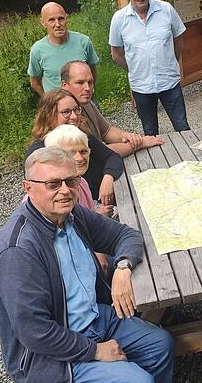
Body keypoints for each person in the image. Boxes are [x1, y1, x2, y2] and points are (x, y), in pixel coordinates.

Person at [0, 147, 186, 383]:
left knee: (160, 345)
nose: (64, 190)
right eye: (53, 184)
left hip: (95, 318)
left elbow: (126, 235)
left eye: (70, 181)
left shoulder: (71, 215)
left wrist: (122, 267)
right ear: (28, 188)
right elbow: (35, 333)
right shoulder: (18, 250)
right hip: (51, 355)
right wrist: (94, 351)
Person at [109, 0, 191, 136]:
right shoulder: (119, 19)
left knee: (183, 128)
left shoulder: (166, 9)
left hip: (170, 83)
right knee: (150, 133)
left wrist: (171, 63)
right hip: (141, 87)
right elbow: (116, 52)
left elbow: (178, 40)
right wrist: (133, 69)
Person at [26, 88, 123, 208]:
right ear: (49, 116)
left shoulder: (79, 136)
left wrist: (108, 178)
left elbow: (112, 156)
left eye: (76, 110)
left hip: (97, 202)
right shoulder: (39, 152)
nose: (74, 116)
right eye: (66, 112)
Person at [42, 124, 111, 270]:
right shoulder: (49, 196)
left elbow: (89, 227)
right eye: (71, 153)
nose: (80, 158)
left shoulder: (81, 183)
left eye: (83, 151)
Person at [60, 60, 164, 156]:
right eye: (80, 83)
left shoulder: (86, 102)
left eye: (90, 82)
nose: (87, 88)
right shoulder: (62, 115)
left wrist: (128, 136)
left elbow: (106, 131)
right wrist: (139, 144)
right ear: (64, 85)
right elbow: (98, 154)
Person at [28, 2, 100, 96]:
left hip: (84, 102)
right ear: (43, 23)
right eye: (51, 20)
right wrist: (49, 100)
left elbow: (92, 71)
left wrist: (89, 92)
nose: (57, 24)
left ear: (67, 19)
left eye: (61, 19)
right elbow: (35, 83)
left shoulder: (83, 42)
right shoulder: (37, 50)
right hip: (57, 106)